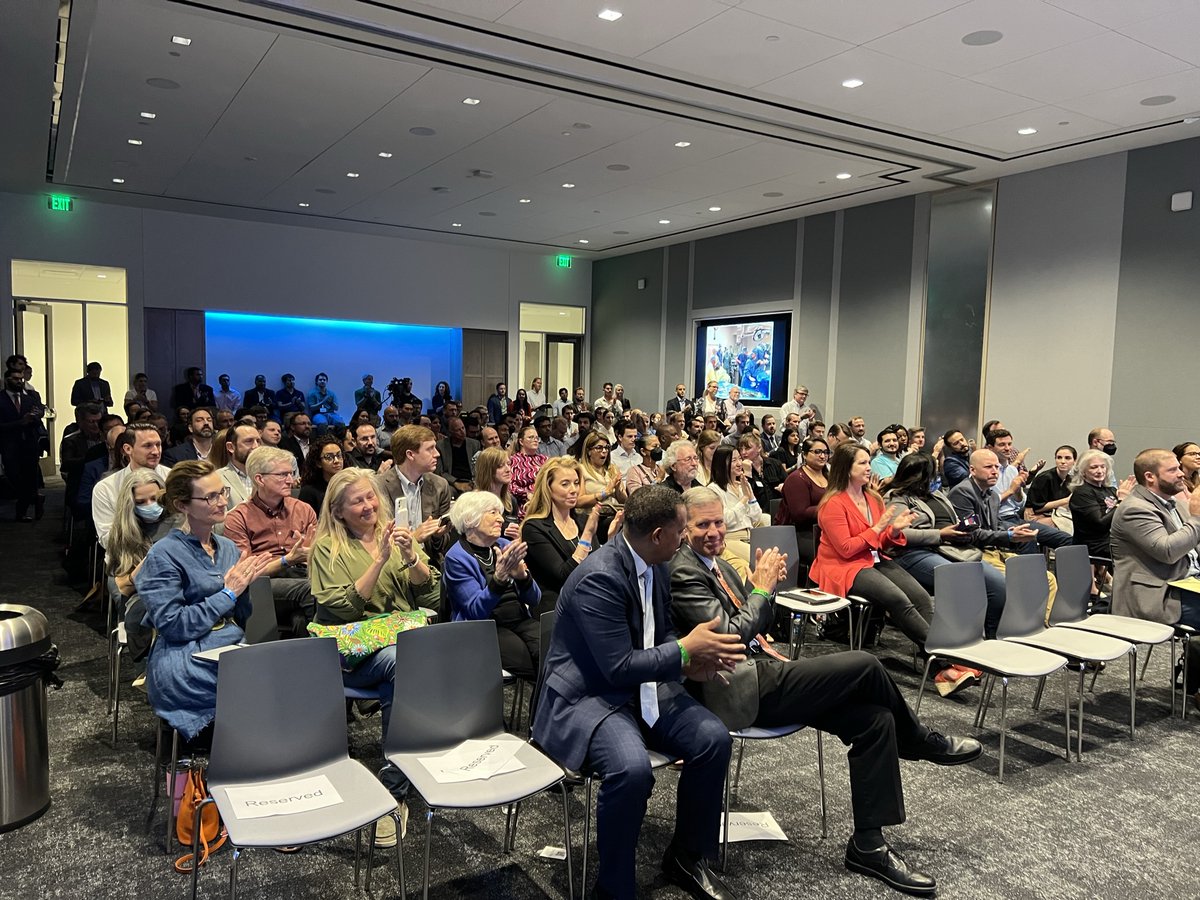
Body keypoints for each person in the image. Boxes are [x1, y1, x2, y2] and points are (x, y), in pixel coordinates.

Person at [670, 486, 983, 894]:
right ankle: (921, 741)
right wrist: (762, 592)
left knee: (875, 720)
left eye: (718, 522)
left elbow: (758, 624)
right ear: (682, 528)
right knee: (865, 664)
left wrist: (763, 591)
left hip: (767, 669)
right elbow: (729, 637)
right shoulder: (683, 571)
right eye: (703, 525)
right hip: (738, 689)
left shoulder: (716, 565)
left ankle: (868, 846)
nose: (714, 531)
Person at [532, 486, 747, 900]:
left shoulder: (657, 562)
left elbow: (661, 633)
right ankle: (613, 888)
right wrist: (685, 650)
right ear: (658, 534)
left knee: (712, 738)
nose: (686, 537)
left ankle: (687, 856)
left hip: (639, 684)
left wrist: (689, 663)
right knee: (631, 770)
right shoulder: (600, 577)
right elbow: (617, 667)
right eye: (682, 530)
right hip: (590, 695)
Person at [310, 467, 441, 846]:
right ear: (337, 511)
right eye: (357, 501)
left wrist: (410, 557)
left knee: (411, 665)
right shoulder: (326, 549)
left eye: (371, 497)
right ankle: (393, 793)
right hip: (350, 653)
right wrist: (380, 560)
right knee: (407, 664)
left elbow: (431, 598)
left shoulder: (396, 535)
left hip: (399, 644)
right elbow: (342, 610)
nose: (369, 506)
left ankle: (410, 757)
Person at [135, 461, 271, 745]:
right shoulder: (164, 555)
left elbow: (241, 618)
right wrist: (228, 593)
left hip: (227, 645)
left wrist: (244, 589)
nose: (222, 502)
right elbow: (174, 626)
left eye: (222, 492)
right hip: (183, 655)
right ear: (182, 505)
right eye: (211, 497)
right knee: (257, 692)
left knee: (280, 678)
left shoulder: (228, 548)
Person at [811, 443, 934, 650]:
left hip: (872, 559)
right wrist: (877, 529)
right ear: (846, 469)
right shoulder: (832, 504)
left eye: (869, 462)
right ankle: (942, 656)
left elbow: (880, 543)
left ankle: (933, 658)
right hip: (843, 566)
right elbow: (846, 549)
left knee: (921, 598)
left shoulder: (873, 498)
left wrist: (893, 531)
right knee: (897, 599)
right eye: (862, 463)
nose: (869, 467)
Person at [886, 453, 1007, 656]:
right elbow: (899, 534)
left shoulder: (937, 495)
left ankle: (990, 640)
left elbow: (954, 520)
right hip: (914, 553)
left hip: (952, 547)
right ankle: (956, 648)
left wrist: (962, 529)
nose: (937, 478)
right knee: (962, 581)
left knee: (998, 584)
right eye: (933, 473)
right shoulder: (896, 498)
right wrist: (940, 534)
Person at [1111, 448, 1200, 697]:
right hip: (1157, 593)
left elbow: (1194, 544)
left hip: (1186, 583)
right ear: (1150, 476)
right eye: (1172, 470)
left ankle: (1194, 676)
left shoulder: (1173, 504)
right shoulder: (1135, 509)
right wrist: (1197, 519)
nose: (1181, 474)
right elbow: (1168, 551)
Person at [444, 490, 541, 680]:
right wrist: (500, 578)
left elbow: (535, 599)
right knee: (536, 667)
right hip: (484, 629)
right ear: (471, 518)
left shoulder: (505, 545)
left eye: (500, 513)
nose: (501, 519)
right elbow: (475, 611)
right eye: (493, 513)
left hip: (519, 618)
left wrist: (522, 576)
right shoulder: (456, 558)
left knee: (554, 653)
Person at [222, 446, 317, 638]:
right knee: (312, 590)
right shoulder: (238, 518)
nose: (290, 480)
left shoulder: (303, 509)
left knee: (300, 619)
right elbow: (246, 573)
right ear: (260, 479)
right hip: (262, 585)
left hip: (302, 575)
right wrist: (287, 560)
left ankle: (316, 661)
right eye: (282, 475)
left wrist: (310, 554)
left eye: (291, 474)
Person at [520, 457, 607, 615]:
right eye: (565, 484)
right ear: (548, 487)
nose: (574, 489)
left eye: (576, 483)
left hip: (589, 600)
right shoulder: (534, 527)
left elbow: (597, 567)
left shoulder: (583, 521)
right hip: (556, 608)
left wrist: (611, 537)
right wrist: (587, 536)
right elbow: (563, 576)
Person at [107, 468, 174, 661]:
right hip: (142, 601)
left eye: (154, 499)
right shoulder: (122, 534)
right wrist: (137, 576)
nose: (150, 505)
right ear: (130, 504)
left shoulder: (181, 523)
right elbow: (119, 590)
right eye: (141, 502)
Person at [377, 425, 453, 562]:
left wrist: (437, 536)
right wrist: (414, 538)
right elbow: (376, 540)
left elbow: (443, 545)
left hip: (429, 562)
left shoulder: (440, 486)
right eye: (430, 449)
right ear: (410, 455)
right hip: (392, 564)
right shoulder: (379, 487)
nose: (437, 453)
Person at [93, 423, 172, 547]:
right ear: (128, 449)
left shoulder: (173, 479)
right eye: (147, 446)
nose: (156, 451)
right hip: (126, 557)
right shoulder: (105, 488)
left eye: (158, 445)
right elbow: (106, 539)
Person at [1069, 449, 1134, 579]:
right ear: (1083, 472)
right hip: (1094, 545)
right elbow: (1100, 524)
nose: (1099, 471)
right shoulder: (1082, 493)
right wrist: (1121, 501)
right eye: (1094, 467)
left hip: (1112, 539)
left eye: (1102, 466)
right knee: (1136, 556)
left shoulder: (1110, 490)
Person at [706, 445, 765, 578]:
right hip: (731, 538)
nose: (739, 464)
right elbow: (726, 520)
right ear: (722, 464)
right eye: (733, 460)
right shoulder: (714, 489)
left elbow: (757, 517)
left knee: (772, 558)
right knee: (758, 562)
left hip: (751, 536)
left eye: (740, 459)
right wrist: (744, 499)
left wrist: (750, 497)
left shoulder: (743, 485)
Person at [775, 436, 831, 563]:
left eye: (826, 452)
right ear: (805, 455)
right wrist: (830, 508)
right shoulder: (797, 479)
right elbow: (800, 514)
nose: (823, 456)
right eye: (817, 452)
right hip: (800, 533)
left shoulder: (829, 476)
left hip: (825, 529)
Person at [1, 367, 46, 521]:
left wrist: (36, 416)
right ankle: (34, 497)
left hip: (29, 444)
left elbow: (37, 419)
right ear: (7, 380)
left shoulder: (29, 398)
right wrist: (21, 422)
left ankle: (22, 512)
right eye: (15, 379)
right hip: (10, 445)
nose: (19, 382)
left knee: (29, 477)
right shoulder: (1, 399)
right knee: (14, 476)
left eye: (21, 379)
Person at [578, 430, 627, 518]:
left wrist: (617, 489)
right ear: (589, 451)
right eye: (599, 448)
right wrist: (605, 493)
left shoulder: (613, 469)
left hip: (613, 515)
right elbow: (579, 501)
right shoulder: (581, 470)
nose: (604, 451)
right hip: (590, 517)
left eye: (607, 447)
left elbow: (624, 501)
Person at [217, 422, 262, 510]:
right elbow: (216, 522)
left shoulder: (269, 475)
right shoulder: (218, 478)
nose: (256, 446)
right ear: (231, 447)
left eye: (258, 441)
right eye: (249, 441)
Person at [1027, 445, 1077, 525]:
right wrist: (1066, 500)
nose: (1063, 461)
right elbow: (1037, 508)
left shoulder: (1073, 478)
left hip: (1057, 513)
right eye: (1059, 458)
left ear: (1075, 461)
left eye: (1067, 458)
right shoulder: (1044, 478)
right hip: (1036, 516)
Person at [298, 436, 343, 513]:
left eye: (339, 455)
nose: (336, 461)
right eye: (329, 457)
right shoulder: (308, 492)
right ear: (318, 463)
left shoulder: (350, 486)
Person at [509, 424, 546, 514]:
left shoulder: (544, 459)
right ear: (521, 441)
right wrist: (527, 494)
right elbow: (510, 485)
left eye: (537, 438)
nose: (535, 440)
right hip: (524, 504)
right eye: (531, 437)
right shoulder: (514, 460)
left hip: (545, 501)